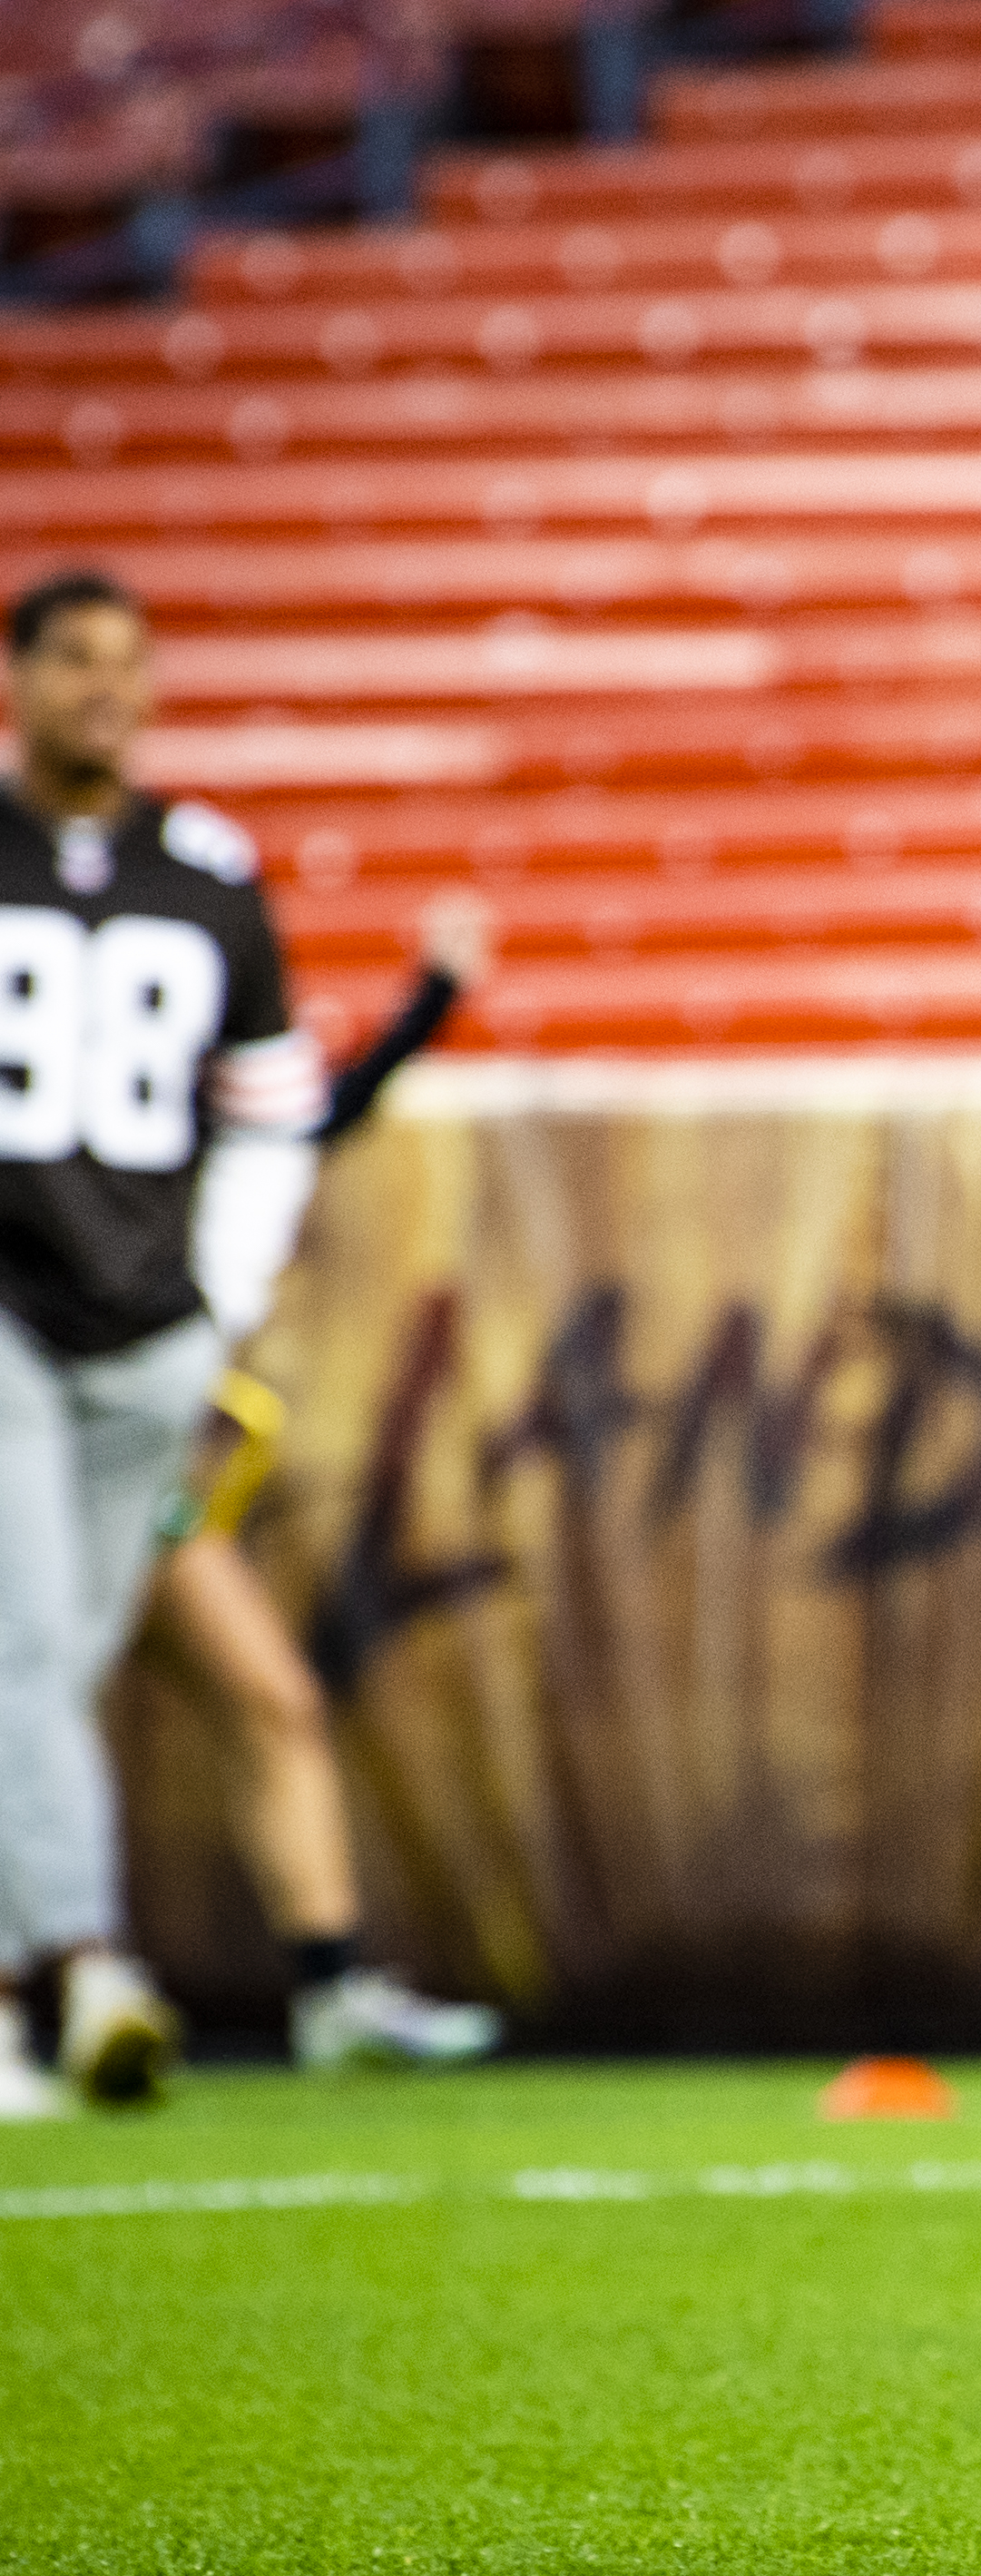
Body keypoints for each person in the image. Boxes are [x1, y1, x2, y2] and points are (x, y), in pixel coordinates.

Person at [0, 568, 324, 2117]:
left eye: (130, 662)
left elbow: (273, 1105)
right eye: (74, 660)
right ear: (18, 674)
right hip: (7, 1305)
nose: (105, 690)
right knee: (20, 1647)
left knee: (52, 1661)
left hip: (148, 1328)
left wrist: (220, 1303)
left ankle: (12, 1998)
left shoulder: (204, 869)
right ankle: (83, 1963)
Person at [130, 890, 504, 2073]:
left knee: (267, 1703)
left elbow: (315, 1118)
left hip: (145, 1466)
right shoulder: (119, 1156)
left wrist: (429, 1005)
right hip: (80, 1445)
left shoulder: (240, 1136)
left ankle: (330, 1990)